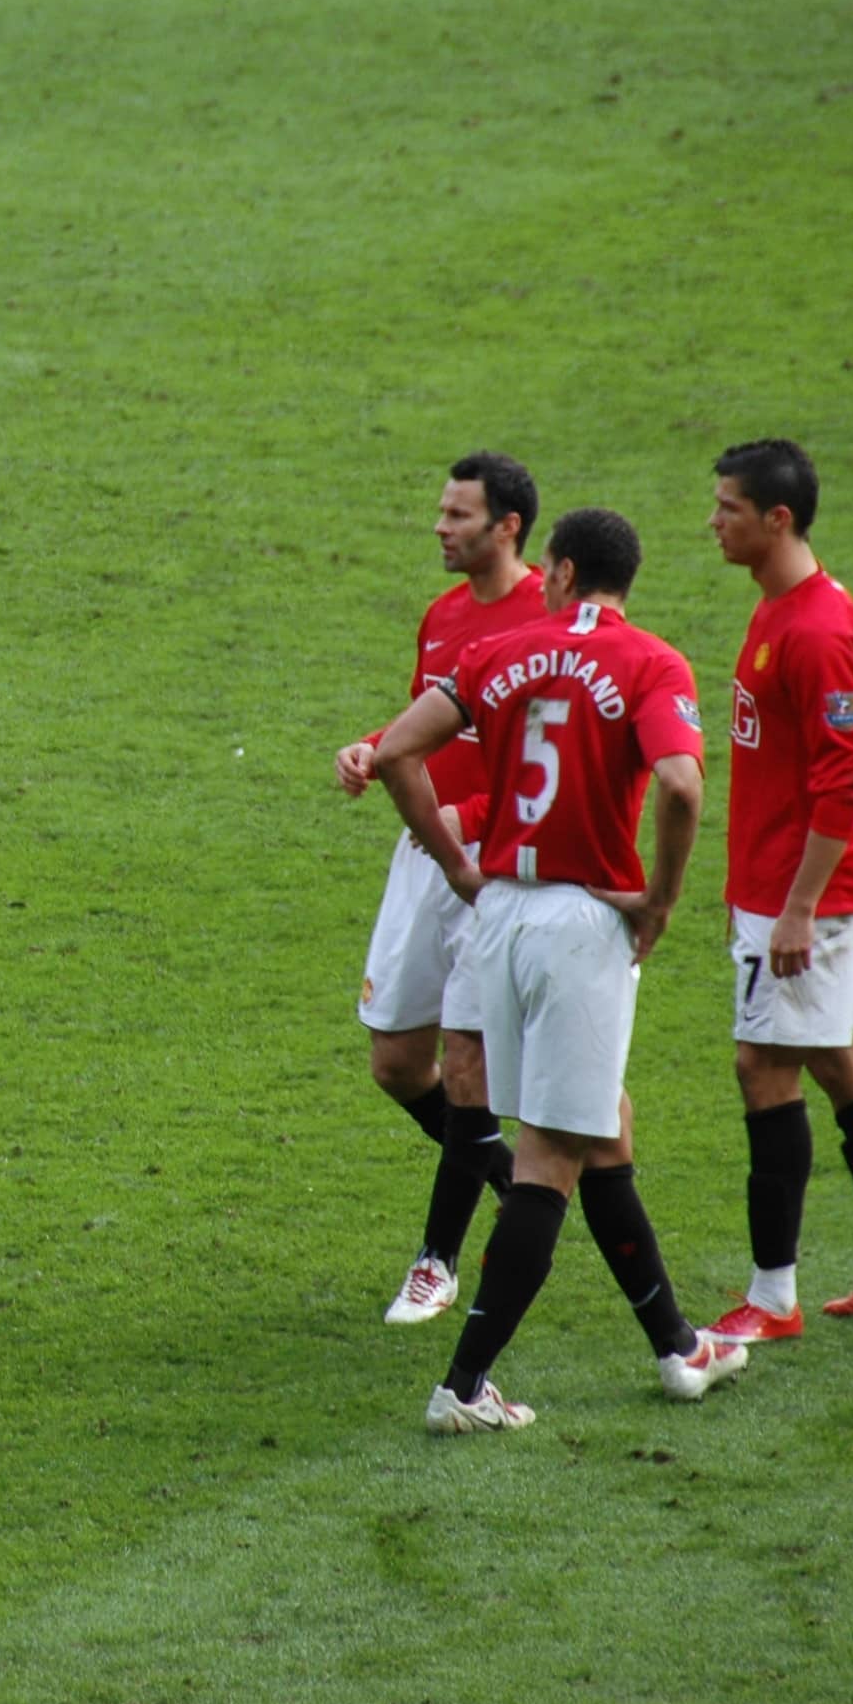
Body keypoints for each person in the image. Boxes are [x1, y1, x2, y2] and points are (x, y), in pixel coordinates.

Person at [372, 509, 749, 1434]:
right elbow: (683, 782)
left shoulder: (500, 653)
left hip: (497, 911)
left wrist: (459, 867)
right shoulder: (652, 662)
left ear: (565, 571)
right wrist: (658, 900)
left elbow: (393, 753)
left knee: (602, 1129)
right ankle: (462, 1388)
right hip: (582, 926)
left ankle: (677, 1348)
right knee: (549, 1159)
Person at [704, 441, 853, 1343]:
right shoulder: (782, 608)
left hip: (806, 892)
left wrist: (797, 908)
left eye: (728, 508)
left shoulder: (815, 630)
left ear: (778, 520)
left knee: (764, 1069)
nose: (713, 523)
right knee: (843, 1063)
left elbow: (844, 784)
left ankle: (771, 1299)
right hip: (784, 882)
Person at [332, 454, 538, 1325]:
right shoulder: (444, 614)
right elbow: (431, 715)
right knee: (396, 1062)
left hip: (492, 866)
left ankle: (438, 1262)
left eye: (459, 516)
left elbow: (537, 758)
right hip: (426, 849)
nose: (440, 528)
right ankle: (524, 1188)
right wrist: (374, 745)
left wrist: (472, 814)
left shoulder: (544, 620)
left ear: (508, 528)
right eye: (441, 512)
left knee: (464, 1068)